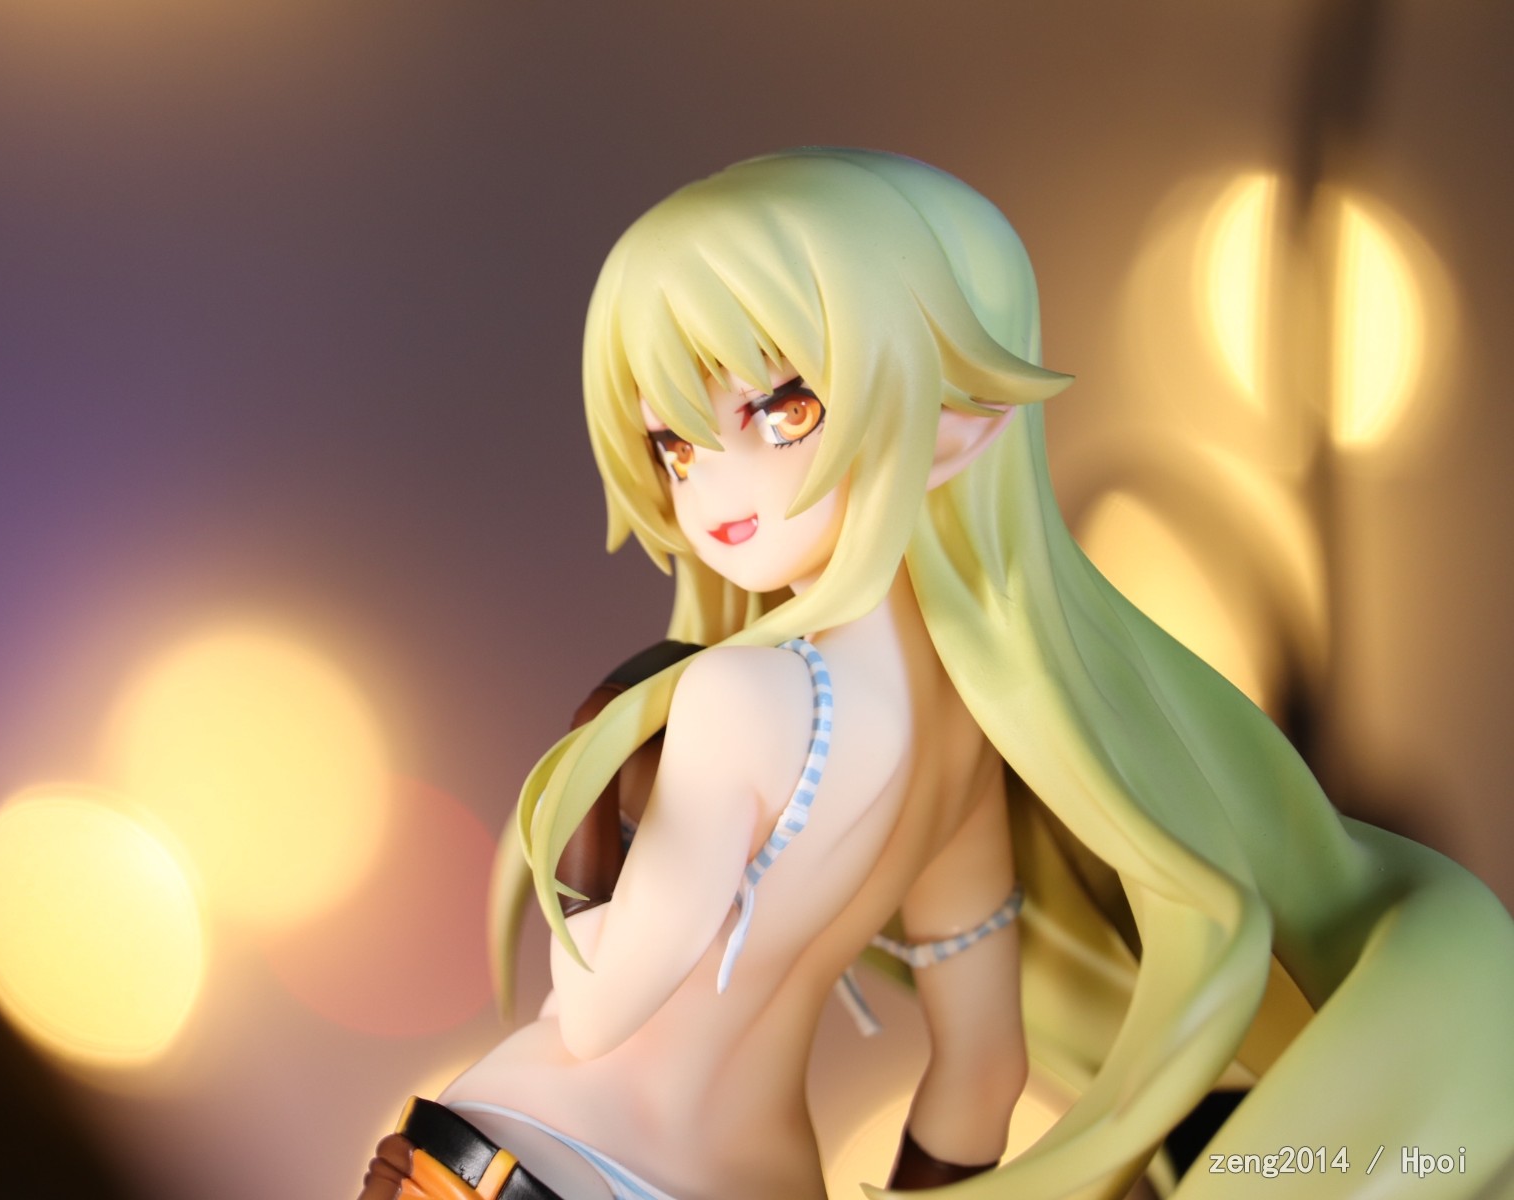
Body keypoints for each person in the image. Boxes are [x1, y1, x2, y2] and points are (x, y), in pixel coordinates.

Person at [358, 148, 1514, 1200]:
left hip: (537, 1152)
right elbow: (981, 1075)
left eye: (782, 411)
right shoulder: (969, 752)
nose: (713, 486)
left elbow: (599, 1008)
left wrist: (591, 818)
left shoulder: (733, 697)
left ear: (957, 421)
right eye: (674, 443)